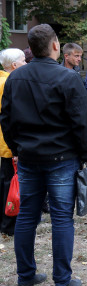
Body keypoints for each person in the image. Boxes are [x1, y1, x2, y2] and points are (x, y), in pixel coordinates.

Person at [0, 24, 87, 286]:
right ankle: (60, 281)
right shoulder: (67, 78)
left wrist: (17, 147)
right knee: (61, 218)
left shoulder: (16, 77)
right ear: (54, 46)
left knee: (28, 215)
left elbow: (6, 119)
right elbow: (82, 122)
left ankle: (27, 275)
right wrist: (85, 154)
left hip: (34, 156)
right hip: (59, 158)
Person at [0, 48, 26, 236]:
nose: (26, 64)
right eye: (24, 61)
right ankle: (9, 223)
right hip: (8, 142)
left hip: (3, 141)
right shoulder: (8, 82)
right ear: (14, 65)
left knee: (5, 180)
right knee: (10, 184)